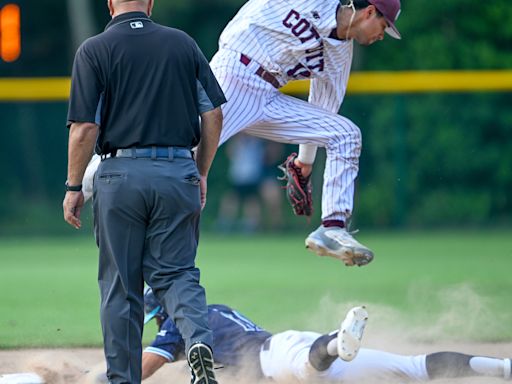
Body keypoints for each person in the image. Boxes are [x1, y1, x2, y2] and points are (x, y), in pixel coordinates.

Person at [62, 0, 226, 383]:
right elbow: (214, 114)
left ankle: (123, 379)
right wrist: (200, 171)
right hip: (177, 172)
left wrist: (73, 186)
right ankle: (198, 340)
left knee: (121, 287)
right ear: (150, 3)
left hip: (120, 176)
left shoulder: (95, 49)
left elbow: (84, 128)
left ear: (109, 4)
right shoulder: (182, 44)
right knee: (177, 273)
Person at [207, 0, 403, 267]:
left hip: (270, 97)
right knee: (180, 172)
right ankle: (156, 283)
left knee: (345, 134)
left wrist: (304, 163)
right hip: (233, 76)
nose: (382, 35)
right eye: (383, 25)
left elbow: (323, 109)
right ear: (369, 12)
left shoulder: (339, 56)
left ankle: (332, 228)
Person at [137, 289, 512, 383]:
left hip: (277, 359)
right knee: (412, 368)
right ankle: (504, 368)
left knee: (304, 370)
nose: (158, 325)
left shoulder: (181, 323)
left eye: (157, 317)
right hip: (288, 344)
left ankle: (334, 342)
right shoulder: (210, 309)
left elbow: (143, 369)